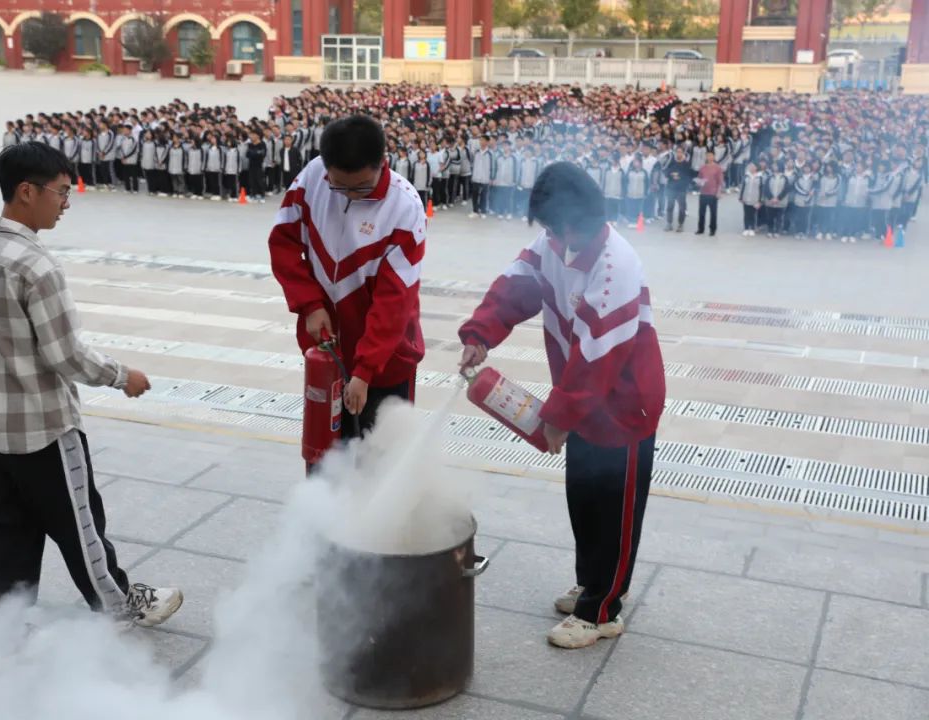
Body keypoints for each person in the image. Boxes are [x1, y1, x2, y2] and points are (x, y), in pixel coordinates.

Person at [0, 143, 183, 626]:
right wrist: (122, 376)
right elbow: (66, 354)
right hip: (43, 426)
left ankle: (5, 617)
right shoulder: (35, 265)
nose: (66, 203)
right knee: (81, 527)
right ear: (26, 191)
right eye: (61, 192)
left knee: (6, 531)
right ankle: (120, 606)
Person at [458, 162, 664, 650]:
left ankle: (602, 611)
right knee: (585, 499)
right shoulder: (550, 243)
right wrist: (480, 333)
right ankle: (592, 583)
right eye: (553, 228)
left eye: (565, 228)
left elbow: (596, 358)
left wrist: (558, 418)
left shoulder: (616, 266)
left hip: (624, 407)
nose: (558, 238)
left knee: (615, 509)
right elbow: (514, 287)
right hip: (583, 401)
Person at [268, 115, 426, 456]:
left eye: (362, 188)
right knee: (324, 452)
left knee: (380, 459)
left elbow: (394, 301)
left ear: (382, 163)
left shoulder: (405, 208)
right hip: (328, 351)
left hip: (385, 360)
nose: (350, 196)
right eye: (339, 186)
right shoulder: (312, 178)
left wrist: (365, 371)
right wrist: (310, 305)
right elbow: (283, 242)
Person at [695, 150, 723, 236]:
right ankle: (700, 229)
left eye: (711, 156)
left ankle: (712, 229)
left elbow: (720, 181)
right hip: (703, 192)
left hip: (713, 193)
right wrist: (699, 183)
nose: (709, 157)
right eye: (707, 156)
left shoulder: (718, 168)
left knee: (713, 213)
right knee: (701, 212)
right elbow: (699, 178)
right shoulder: (702, 167)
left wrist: (718, 192)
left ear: (714, 157)